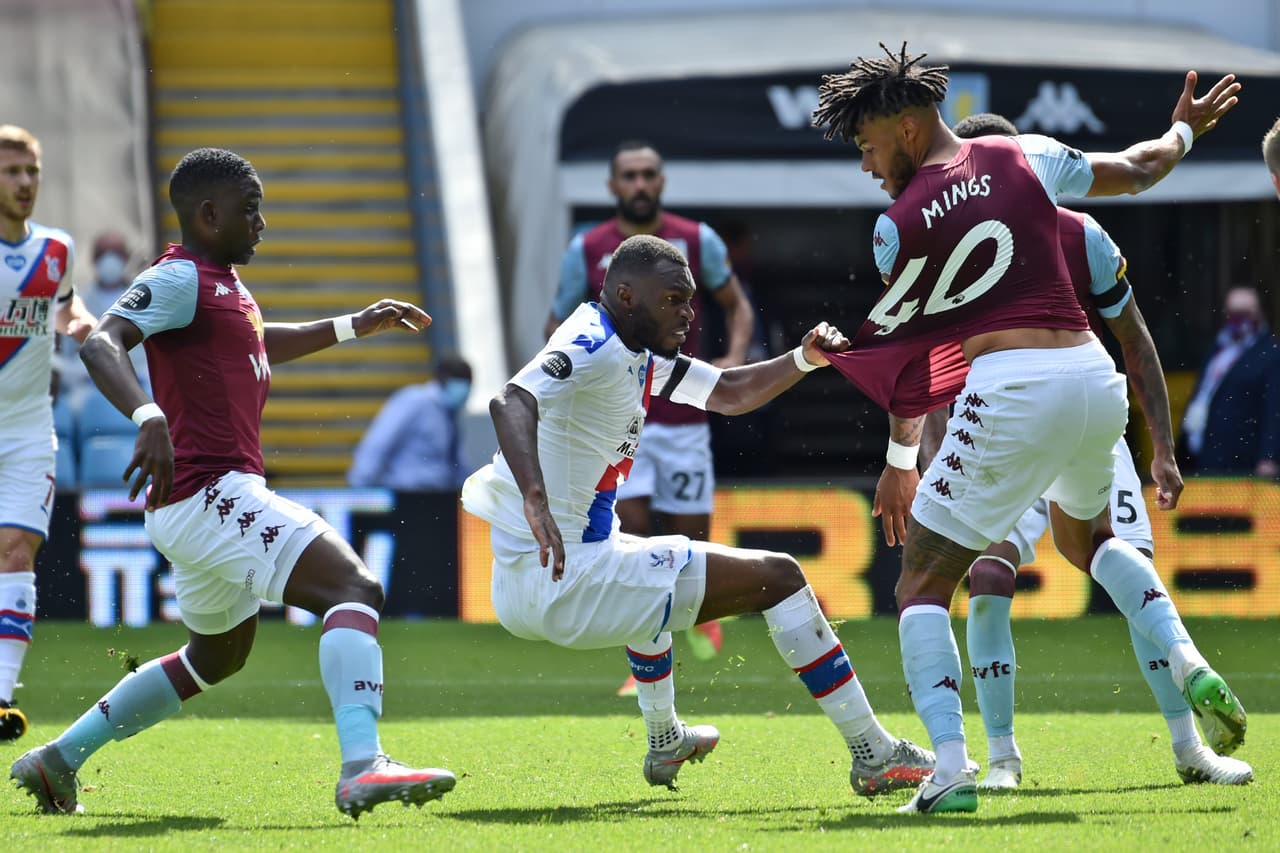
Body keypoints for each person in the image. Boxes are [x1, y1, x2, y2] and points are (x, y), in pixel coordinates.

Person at [812, 44, 1246, 813]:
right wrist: (1183, 133)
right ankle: (1185, 662)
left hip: (1010, 391)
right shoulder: (1027, 154)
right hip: (1092, 382)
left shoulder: (895, 229)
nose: (867, 166)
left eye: (867, 146)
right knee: (1092, 543)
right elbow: (1140, 169)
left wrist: (898, 456)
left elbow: (918, 354)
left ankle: (952, 768)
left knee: (922, 579)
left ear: (907, 130)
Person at [10, 148, 455, 819]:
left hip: (195, 501)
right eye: (251, 210)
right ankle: (364, 763)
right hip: (210, 490)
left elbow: (255, 338)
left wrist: (350, 325)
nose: (263, 223)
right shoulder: (180, 276)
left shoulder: (221, 286)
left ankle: (57, 759)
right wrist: (148, 412)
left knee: (216, 655)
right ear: (209, 214)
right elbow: (102, 341)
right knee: (353, 587)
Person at [465, 234, 934, 798]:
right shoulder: (591, 342)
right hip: (564, 576)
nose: (689, 313)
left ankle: (666, 741)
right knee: (782, 577)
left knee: (647, 573)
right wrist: (534, 498)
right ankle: (874, 753)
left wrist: (804, 359)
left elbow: (728, 392)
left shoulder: (635, 352)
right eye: (673, 300)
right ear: (626, 294)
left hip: (538, 577)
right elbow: (511, 400)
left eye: (690, 300)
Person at [937, 111, 1251, 789]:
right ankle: (1182, 699)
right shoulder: (995, 242)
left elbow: (1137, 341)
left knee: (1014, 574)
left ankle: (1012, 760)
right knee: (1096, 562)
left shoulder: (1066, 238)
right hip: (1058, 417)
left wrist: (1162, 449)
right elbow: (1132, 342)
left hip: (1030, 423)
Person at [545, 142, 757, 692]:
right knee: (630, 533)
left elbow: (736, 305)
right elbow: (557, 322)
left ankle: (699, 621)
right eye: (629, 176)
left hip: (684, 417)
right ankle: (641, 658)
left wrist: (732, 359)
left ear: (661, 182)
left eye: (648, 175)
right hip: (618, 419)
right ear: (612, 186)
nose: (639, 184)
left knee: (690, 531)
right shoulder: (587, 248)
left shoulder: (696, 239)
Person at [0, 125, 97, 742]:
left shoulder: (56, 248)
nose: (25, 183)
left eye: (31, 171)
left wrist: (84, 323)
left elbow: (63, 304)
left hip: (30, 428)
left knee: (15, 553)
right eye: (12, 172)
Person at [1178, 284, 1278, 476]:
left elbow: (1274, 410)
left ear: (1260, 313)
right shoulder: (1219, 346)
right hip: (1200, 454)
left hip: (1238, 461)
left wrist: (1269, 457)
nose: (1238, 320)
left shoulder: (1271, 354)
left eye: (1245, 312)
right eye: (1233, 312)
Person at [348, 355, 472, 492]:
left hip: (437, 495)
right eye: (458, 381)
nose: (463, 389)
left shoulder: (449, 414)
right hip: (405, 493)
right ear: (442, 378)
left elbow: (455, 463)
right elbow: (380, 441)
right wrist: (361, 484)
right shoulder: (414, 401)